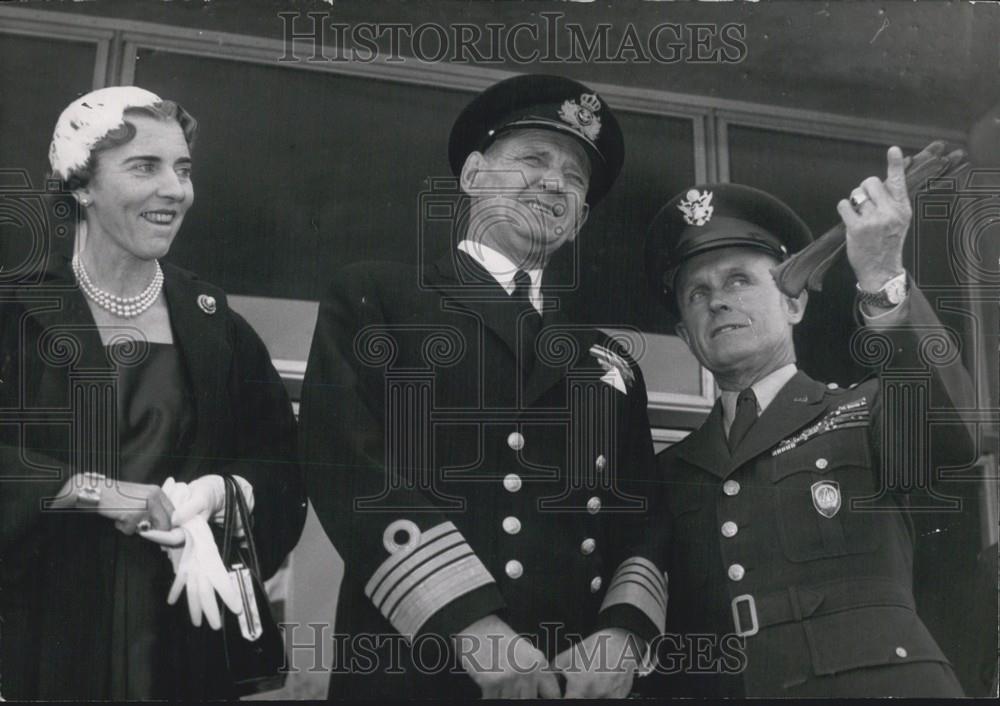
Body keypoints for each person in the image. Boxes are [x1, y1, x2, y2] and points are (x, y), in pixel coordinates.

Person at [299, 74, 666, 699]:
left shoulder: (609, 360)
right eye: (532, 159)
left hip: (574, 683)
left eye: (576, 180)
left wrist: (625, 634)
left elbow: (645, 518)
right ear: (472, 175)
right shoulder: (380, 299)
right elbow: (347, 466)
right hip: (421, 667)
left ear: (578, 221)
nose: (555, 183)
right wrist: (473, 628)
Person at [0, 86, 307, 700]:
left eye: (183, 169)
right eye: (145, 166)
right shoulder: (14, 312)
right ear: (81, 185)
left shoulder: (215, 322)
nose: (175, 188)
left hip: (179, 637)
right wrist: (99, 495)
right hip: (39, 636)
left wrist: (222, 493)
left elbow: (282, 467)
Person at [639, 148, 977, 697]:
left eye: (740, 280)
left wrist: (883, 276)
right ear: (684, 336)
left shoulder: (863, 412)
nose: (719, 302)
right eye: (697, 293)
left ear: (794, 305)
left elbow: (952, 434)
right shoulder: (669, 470)